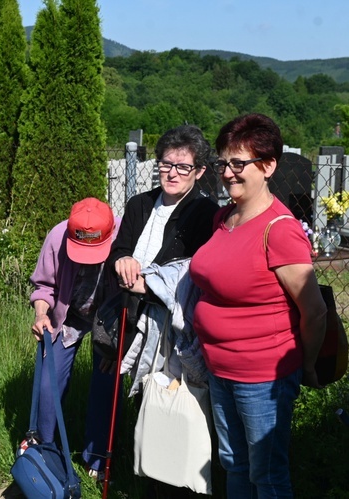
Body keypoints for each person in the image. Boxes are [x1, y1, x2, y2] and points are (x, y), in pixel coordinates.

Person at [190, 113, 326, 497]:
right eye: (223, 163)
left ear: (267, 166)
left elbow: (313, 310)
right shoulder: (224, 218)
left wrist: (309, 365)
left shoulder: (279, 230)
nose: (228, 173)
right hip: (220, 368)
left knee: (266, 474)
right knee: (234, 464)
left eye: (239, 163)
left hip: (263, 377)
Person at [105, 124, 219, 497]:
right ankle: (152, 475)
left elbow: (190, 270)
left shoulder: (204, 212)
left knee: (180, 401)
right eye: (165, 164)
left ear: (199, 171)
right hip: (138, 317)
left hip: (178, 328)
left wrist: (149, 281)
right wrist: (122, 260)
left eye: (182, 166)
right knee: (148, 400)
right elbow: (120, 249)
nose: (171, 172)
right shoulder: (140, 203)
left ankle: (181, 481)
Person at [28, 197, 117, 482]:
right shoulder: (57, 236)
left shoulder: (123, 241)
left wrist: (118, 346)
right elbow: (44, 285)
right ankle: (45, 450)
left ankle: (98, 458)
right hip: (68, 316)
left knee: (105, 382)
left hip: (108, 320)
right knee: (47, 384)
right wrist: (42, 314)